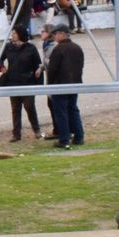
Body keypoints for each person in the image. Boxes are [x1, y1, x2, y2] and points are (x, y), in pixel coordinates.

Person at [0, 25, 43, 142]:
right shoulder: (8, 47)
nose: (12, 35)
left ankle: (36, 130)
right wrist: (1, 66)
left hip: (28, 83)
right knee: (15, 108)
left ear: (20, 35)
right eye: (12, 33)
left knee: (29, 106)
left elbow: (38, 65)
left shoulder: (31, 48)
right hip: (13, 82)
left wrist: (39, 80)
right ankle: (16, 134)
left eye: (14, 33)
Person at [44, 21, 83, 149]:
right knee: (73, 110)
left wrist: (50, 86)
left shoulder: (58, 49)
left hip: (60, 85)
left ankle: (64, 139)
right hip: (75, 84)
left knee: (61, 113)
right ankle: (79, 136)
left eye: (55, 34)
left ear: (62, 34)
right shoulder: (77, 47)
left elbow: (52, 69)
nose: (54, 36)